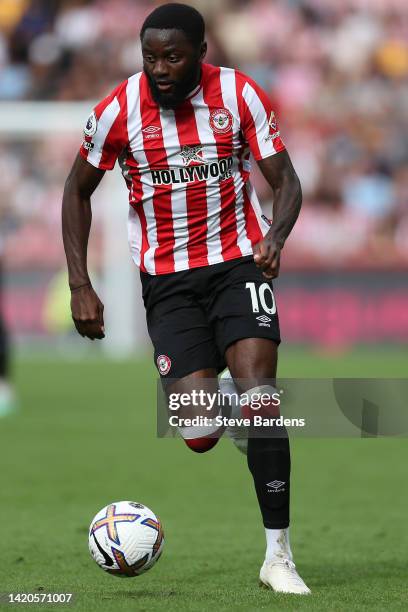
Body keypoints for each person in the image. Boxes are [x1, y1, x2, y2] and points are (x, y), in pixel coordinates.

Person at [62, 3, 310, 595]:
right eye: (150, 58)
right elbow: (76, 191)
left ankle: (278, 555)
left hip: (237, 264)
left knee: (261, 401)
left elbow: (288, 180)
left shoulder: (241, 95)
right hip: (167, 281)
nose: (160, 69)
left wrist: (274, 236)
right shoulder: (118, 109)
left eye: (173, 57)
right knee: (199, 432)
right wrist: (80, 282)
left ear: (201, 52)